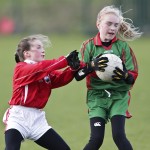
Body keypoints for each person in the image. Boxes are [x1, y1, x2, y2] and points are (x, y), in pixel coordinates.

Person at [75, 5, 142, 150]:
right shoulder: (88, 46)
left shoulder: (123, 47)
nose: (113, 28)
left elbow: (133, 77)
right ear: (98, 24)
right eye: (109, 23)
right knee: (96, 139)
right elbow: (78, 75)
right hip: (97, 97)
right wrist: (91, 66)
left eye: (116, 25)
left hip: (118, 96)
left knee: (119, 136)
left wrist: (125, 75)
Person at [3, 34, 80, 150]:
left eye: (42, 47)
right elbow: (40, 68)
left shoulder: (45, 72)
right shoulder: (21, 68)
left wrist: (77, 68)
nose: (43, 50)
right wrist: (65, 60)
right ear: (26, 53)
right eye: (38, 47)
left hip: (37, 120)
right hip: (18, 118)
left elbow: (60, 78)